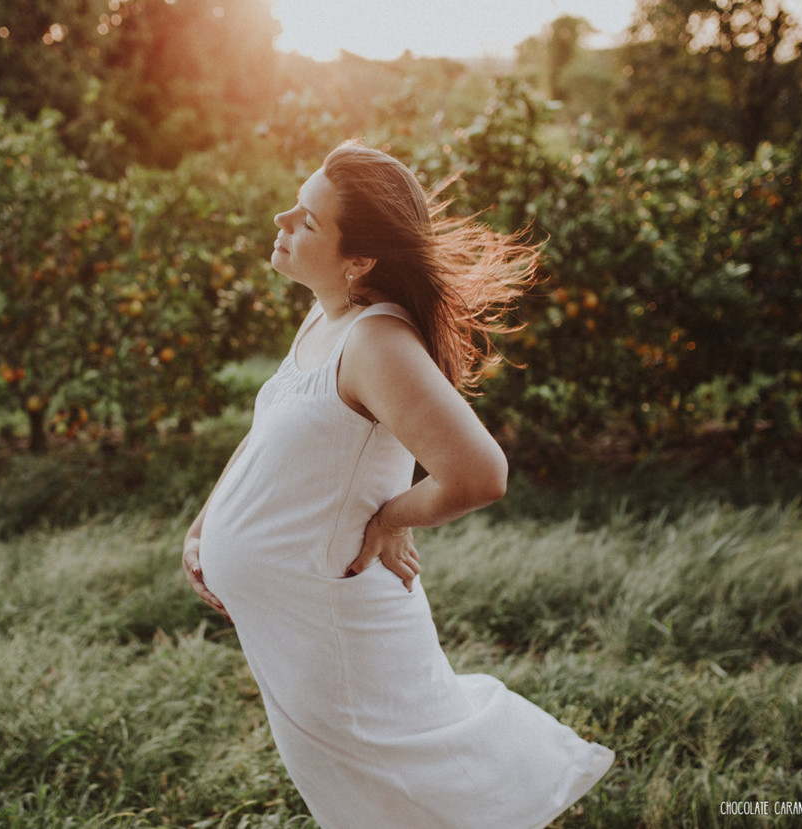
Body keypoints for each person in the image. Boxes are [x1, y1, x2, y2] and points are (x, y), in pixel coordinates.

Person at [182, 140, 613, 828]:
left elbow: (480, 473)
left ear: (360, 261)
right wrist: (207, 524)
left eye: (308, 219)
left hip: (340, 639)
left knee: (405, 798)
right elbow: (264, 435)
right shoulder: (325, 318)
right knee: (362, 798)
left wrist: (390, 517)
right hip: (299, 634)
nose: (281, 218)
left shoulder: (376, 343)